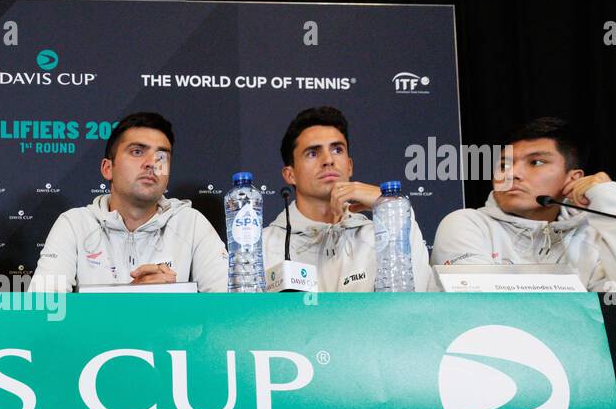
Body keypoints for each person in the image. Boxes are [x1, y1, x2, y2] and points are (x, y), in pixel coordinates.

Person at [431, 117, 616, 290]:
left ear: (572, 179)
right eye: (504, 165)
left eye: (536, 162)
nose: (512, 174)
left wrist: (607, 198)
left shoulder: (592, 236)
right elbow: (481, 304)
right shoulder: (467, 224)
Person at [27, 112, 227, 292]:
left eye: (161, 156)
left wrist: (174, 300)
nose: (151, 163)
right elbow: (45, 308)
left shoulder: (191, 224)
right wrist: (132, 297)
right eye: (137, 152)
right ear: (108, 168)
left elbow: (233, 307)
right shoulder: (74, 224)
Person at [263, 106, 436, 291]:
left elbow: (416, 297)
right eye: (313, 153)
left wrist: (391, 207)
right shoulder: (264, 247)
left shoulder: (381, 237)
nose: (328, 160)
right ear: (290, 175)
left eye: (337, 150)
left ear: (349, 166)